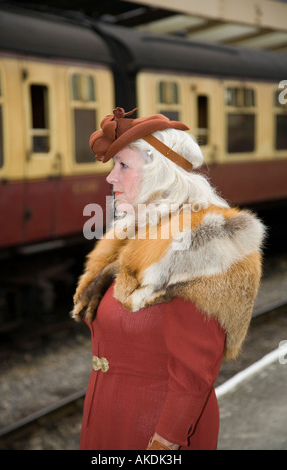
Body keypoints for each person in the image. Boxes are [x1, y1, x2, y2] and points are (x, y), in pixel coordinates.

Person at [72, 107, 265, 450]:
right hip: (108, 418)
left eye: (124, 166)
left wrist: (167, 440)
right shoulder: (134, 236)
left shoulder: (200, 244)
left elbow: (194, 373)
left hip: (154, 429)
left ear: (160, 173)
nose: (110, 178)